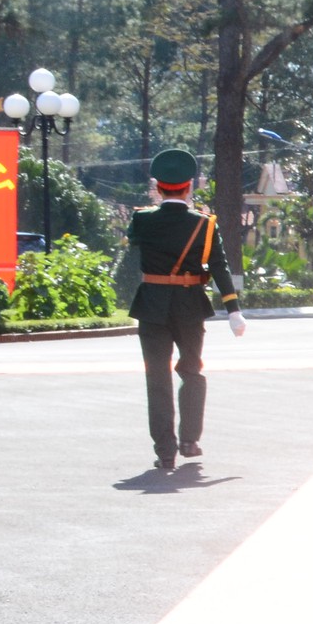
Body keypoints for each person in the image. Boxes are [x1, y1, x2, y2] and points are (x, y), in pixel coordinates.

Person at [122, 147, 244, 473]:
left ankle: (165, 452)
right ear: (189, 186)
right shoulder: (203, 225)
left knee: (157, 377)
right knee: (191, 371)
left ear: (158, 187)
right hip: (190, 304)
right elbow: (219, 266)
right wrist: (233, 310)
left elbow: (133, 250)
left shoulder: (142, 219)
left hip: (151, 305)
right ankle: (189, 440)